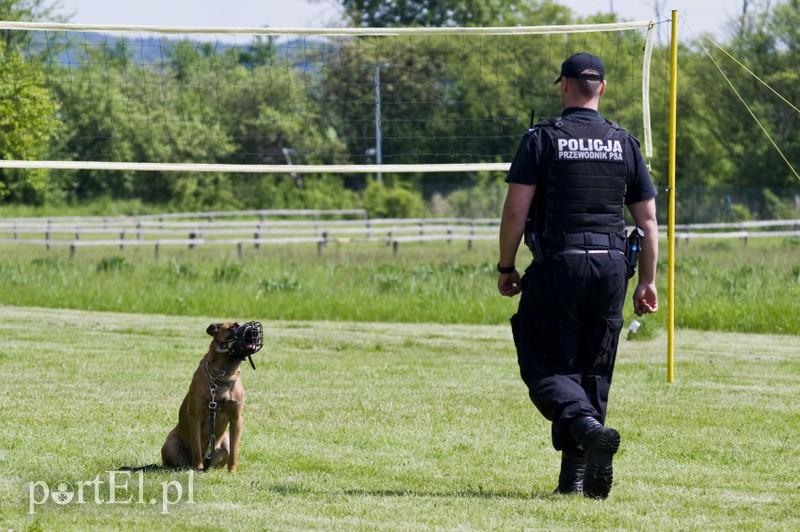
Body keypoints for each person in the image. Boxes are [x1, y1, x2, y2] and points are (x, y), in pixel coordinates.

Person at [496, 52, 659, 499]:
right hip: (612, 269)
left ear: (564, 86)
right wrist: (647, 281)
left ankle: (587, 429)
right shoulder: (624, 143)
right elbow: (647, 223)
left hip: (560, 266)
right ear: (601, 89)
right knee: (593, 371)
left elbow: (515, 211)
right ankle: (575, 481)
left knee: (545, 364)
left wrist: (507, 267)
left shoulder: (541, 139)